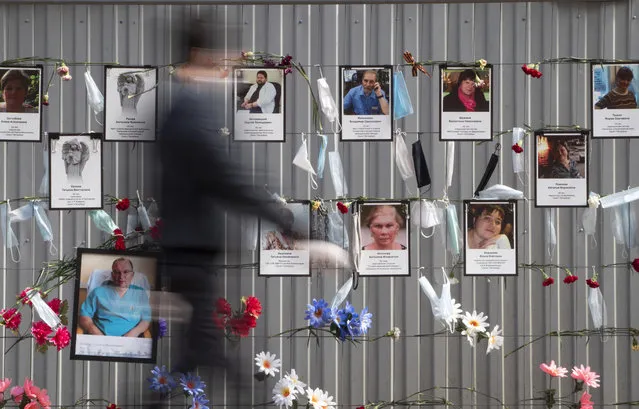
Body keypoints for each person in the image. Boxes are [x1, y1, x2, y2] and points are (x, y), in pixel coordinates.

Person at [154, 16, 299, 381]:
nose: (223, 63)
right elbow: (223, 178)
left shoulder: (183, 107)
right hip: (191, 253)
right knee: (214, 358)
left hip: (187, 253)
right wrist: (275, 213)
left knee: (195, 356)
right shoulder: (188, 112)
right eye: (216, 55)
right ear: (199, 54)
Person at [78, 257, 151, 337]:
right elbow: (84, 316)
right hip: (100, 338)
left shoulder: (140, 293)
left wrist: (133, 333)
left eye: (125, 272)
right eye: (117, 272)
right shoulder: (98, 292)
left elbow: (146, 320)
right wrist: (97, 334)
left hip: (131, 339)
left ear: (132, 275)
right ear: (112, 275)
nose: (121, 276)